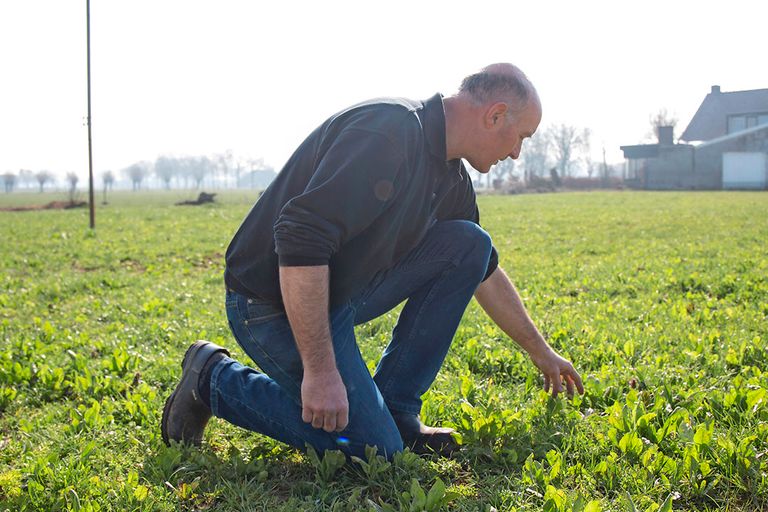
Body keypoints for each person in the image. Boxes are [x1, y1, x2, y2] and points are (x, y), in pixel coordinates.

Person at [161, 63, 584, 459]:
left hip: (340, 292)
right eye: (522, 137)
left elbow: (483, 271)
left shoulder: (451, 174)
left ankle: (398, 412)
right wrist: (321, 372)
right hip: (271, 303)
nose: (517, 153)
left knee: (469, 243)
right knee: (373, 450)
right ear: (494, 116)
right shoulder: (388, 133)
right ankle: (211, 378)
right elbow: (300, 239)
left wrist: (540, 352)